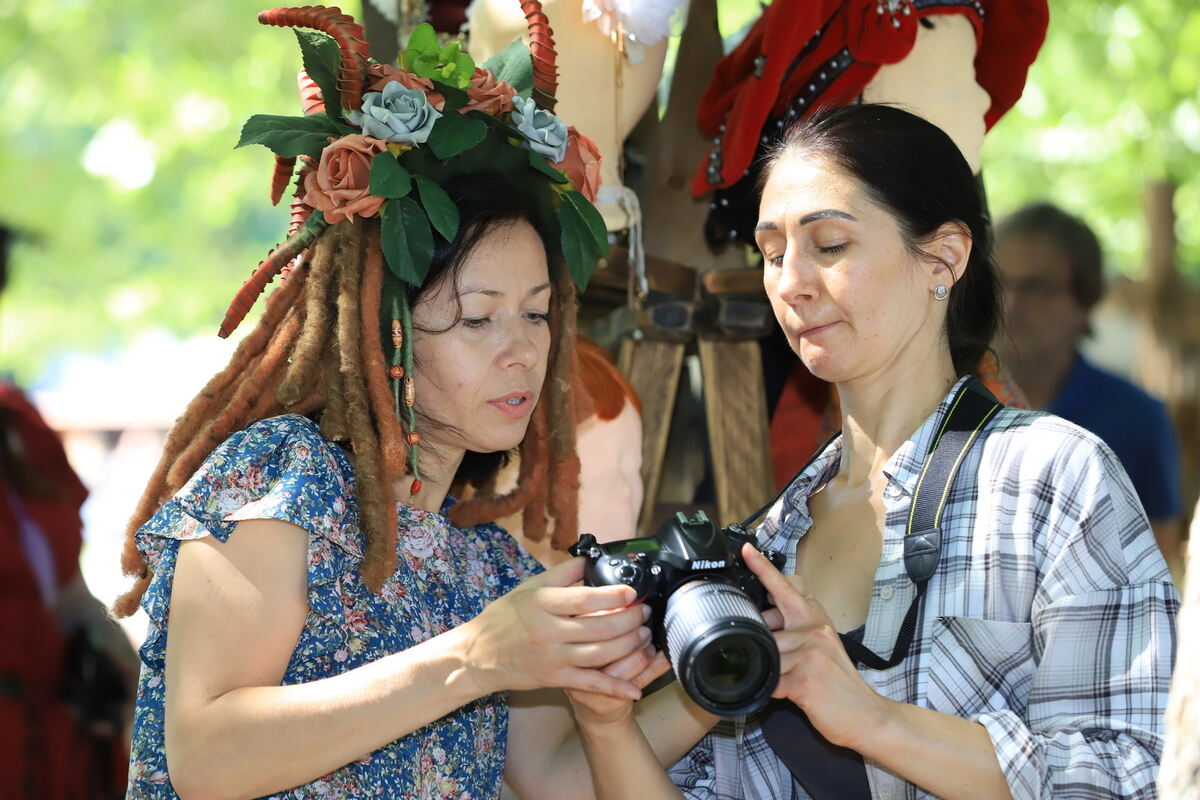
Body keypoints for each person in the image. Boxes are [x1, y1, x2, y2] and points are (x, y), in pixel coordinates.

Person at [114, 6, 712, 798]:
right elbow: (206, 757)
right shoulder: (283, 481)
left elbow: (560, 779)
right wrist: (474, 658)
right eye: (476, 318)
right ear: (384, 329)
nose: (522, 349)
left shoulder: (488, 566)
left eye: (537, 313)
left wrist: (734, 671)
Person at [566, 104, 1179, 799]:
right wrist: (607, 721)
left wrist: (872, 720)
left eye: (828, 244)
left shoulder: (1052, 478)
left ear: (944, 257)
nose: (790, 281)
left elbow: (1137, 776)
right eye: (771, 253)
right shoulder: (768, 543)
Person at [994, 202, 1185, 580]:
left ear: (1085, 301)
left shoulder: (1135, 417)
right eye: (999, 283)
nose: (1012, 304)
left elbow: (1158, 557)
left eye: (1037, 287)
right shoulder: (944, 400)